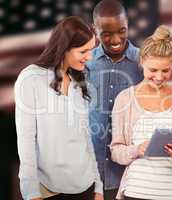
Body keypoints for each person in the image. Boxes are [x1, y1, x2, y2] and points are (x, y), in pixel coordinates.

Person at [110, 25, 172, 200]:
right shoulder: (125, 99)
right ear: (141, 63)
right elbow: (116, 151)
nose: (159, 76)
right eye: (153, 70)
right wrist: (137, 150)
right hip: (136, 192)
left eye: (166, 70)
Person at [14, 16, 104, 200]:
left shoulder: (80, 83)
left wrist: (99, 186)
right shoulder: (31, 78)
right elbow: (26, 141)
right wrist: (30, 192)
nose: (89, 57)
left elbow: (86, 139)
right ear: (64, 48)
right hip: (48, 190)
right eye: (83, 51)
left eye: (92, 50)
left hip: (86, 187)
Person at [86, 0, 143, 199]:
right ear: (94, 29)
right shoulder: (85, 62)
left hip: (129, 173)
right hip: (90, 169)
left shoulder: (143, 62)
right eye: (106, 33)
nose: (116, 39)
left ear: (128, 24)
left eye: (122, 30)